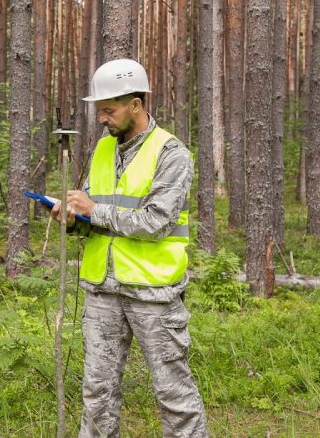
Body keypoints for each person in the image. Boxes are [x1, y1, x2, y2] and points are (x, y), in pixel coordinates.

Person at [51, 58, 208, 437]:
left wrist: (95, 210)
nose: (102, 118)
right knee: (97, 394)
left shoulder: (171, 153)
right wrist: (74, 220)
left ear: (135, 104)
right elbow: (96, 219)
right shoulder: (103, 150)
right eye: (99, 110)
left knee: (174, 395)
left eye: (109, 110)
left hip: (153, 294)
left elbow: (156, 222)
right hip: (102, 291)